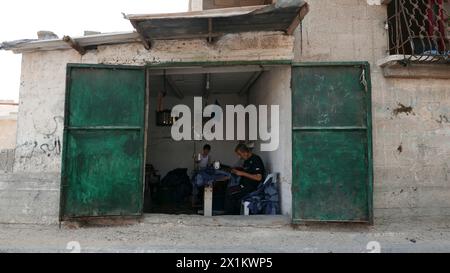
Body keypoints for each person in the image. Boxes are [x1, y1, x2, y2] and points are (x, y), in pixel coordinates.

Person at [225, 143, 266, 214]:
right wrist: (235, 171)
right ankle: (233, 214)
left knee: (230, 194)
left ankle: (231, 217)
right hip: (244, 185)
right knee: (228, 189)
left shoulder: (256, 159)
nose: (239, 157)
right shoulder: (246, 161)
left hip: (252, 188)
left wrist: (242, 173)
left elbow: (258, 178)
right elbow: (246, 173)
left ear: (245, 152)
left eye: (240, 154)